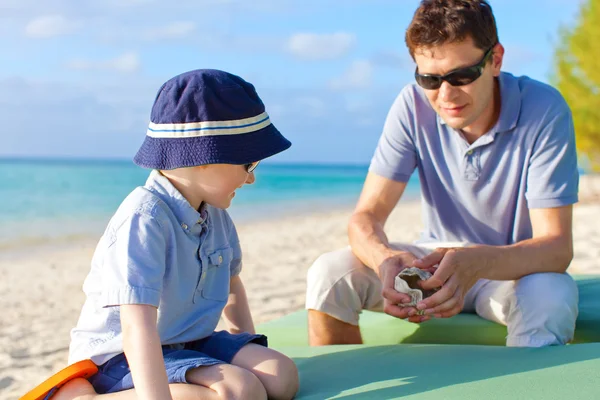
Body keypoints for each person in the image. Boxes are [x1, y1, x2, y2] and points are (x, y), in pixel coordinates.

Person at [306, 0, 580, 348]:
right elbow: (365, 217)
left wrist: (474, 263)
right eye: (430, 79)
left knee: (551, 293)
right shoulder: (411, 104)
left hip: (510, 272)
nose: (445, 95)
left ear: (495, 60)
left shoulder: (544, 109)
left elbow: (556, 248)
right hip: (433, 265)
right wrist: (385, 260)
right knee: (328, 273)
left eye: (461, 76)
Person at [54, 69, 299, 400]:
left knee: (280, 376)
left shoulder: (217, 214)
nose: (252, 179)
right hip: (122, 357)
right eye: (248, 166)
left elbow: (231, 286)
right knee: (236, 391)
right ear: (204, 157)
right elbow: (136, 326)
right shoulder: (143, 219)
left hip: (189, 341)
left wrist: (243, 347)